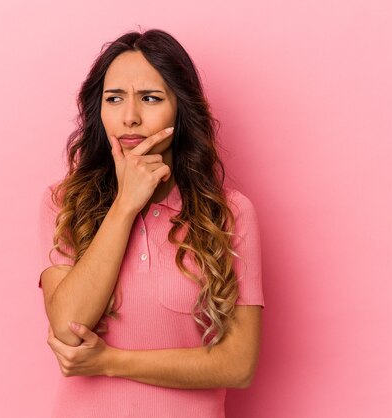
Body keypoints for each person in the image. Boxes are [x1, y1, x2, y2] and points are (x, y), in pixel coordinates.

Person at [38, 28, 265, 418]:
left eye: (150, 98)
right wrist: (125, 205)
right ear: (99, 110)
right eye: (114, 99)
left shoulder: (229, 213)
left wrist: (110, 360)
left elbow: (238, 364)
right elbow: (68, 326)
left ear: (181, 107)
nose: (130, 117)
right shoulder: (64, 203)